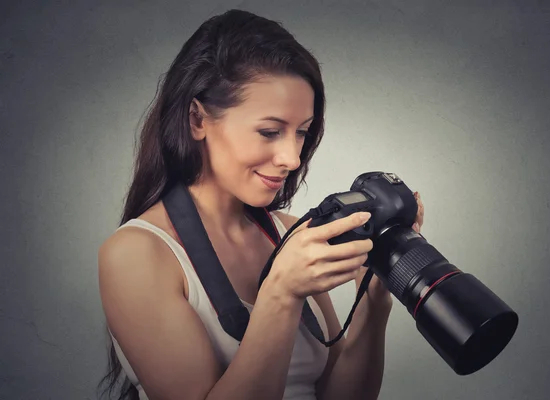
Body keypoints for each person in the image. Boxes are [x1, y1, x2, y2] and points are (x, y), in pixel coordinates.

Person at [97, 9, 425, 400]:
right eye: (270, 132)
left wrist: (373, 298)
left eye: (302, 132)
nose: (292, 158)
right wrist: (281, 293)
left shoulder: (292, 233)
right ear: (197, 120)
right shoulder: (135, 254)